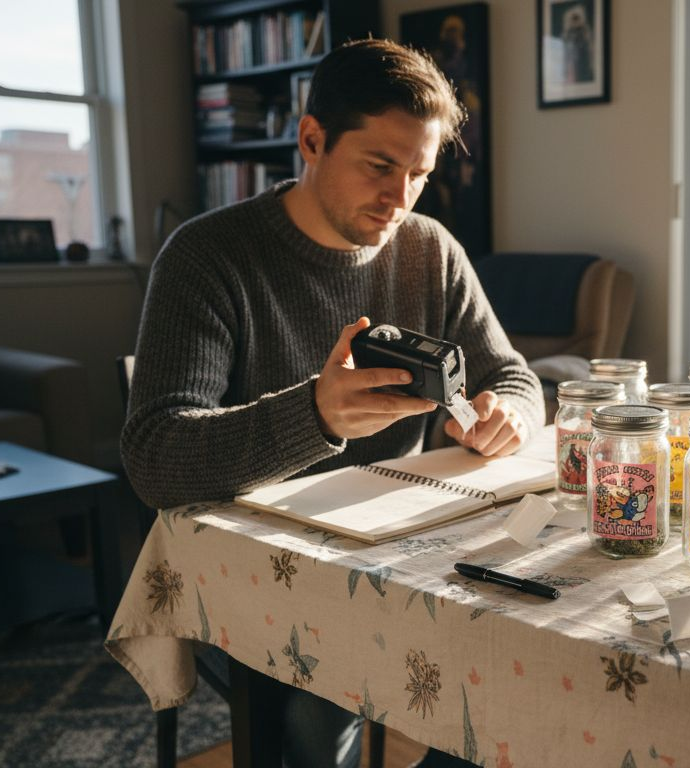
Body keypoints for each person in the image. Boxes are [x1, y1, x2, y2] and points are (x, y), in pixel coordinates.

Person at [122, 38, 540, 768]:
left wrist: (509, 413)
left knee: (519, 673)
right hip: (264, 577)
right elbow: (156, 455)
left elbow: (515, 378)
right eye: (380, 166)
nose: (399, 197)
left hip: (410, 556)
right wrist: (314, 416)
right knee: (324, 726)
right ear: (311, 140)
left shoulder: (429, 248)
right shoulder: (207, 256)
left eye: (419, 173)